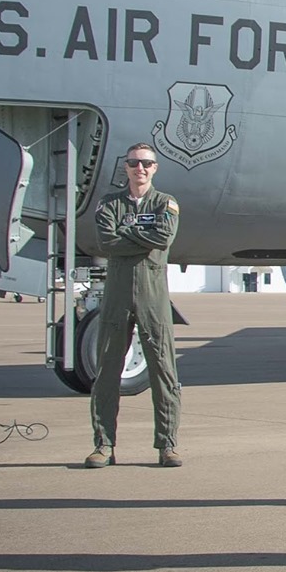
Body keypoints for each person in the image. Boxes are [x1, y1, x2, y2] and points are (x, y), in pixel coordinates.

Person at [85, 143, 183, 468]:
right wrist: (142, 233)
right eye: (133, 163)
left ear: (154, 168)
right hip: (117, 297)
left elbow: (164, 238)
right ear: (125, 167)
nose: (139, 168)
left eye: (145, 163)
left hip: (153, 296)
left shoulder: (165, 203)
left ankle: (167, 445)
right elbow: (106, 241)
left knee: (164, 370)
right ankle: (104, 445)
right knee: (107, 371)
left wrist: (127, 230)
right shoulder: (109, 203)